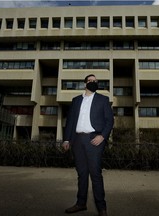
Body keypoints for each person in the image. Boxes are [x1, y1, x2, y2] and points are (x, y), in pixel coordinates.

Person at [62, 74, 114, 216]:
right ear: (85, 83)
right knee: (82, 174)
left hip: (94, 140)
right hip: (77, 140)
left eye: (95, 81)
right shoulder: (76, 100)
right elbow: (70, 121)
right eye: (90, 80)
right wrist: (67, 139)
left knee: (95, 174)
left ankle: (101, 207)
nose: (93, 82)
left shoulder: (103, 100)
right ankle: (81, 203)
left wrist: (102, 136)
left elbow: (109, 121)